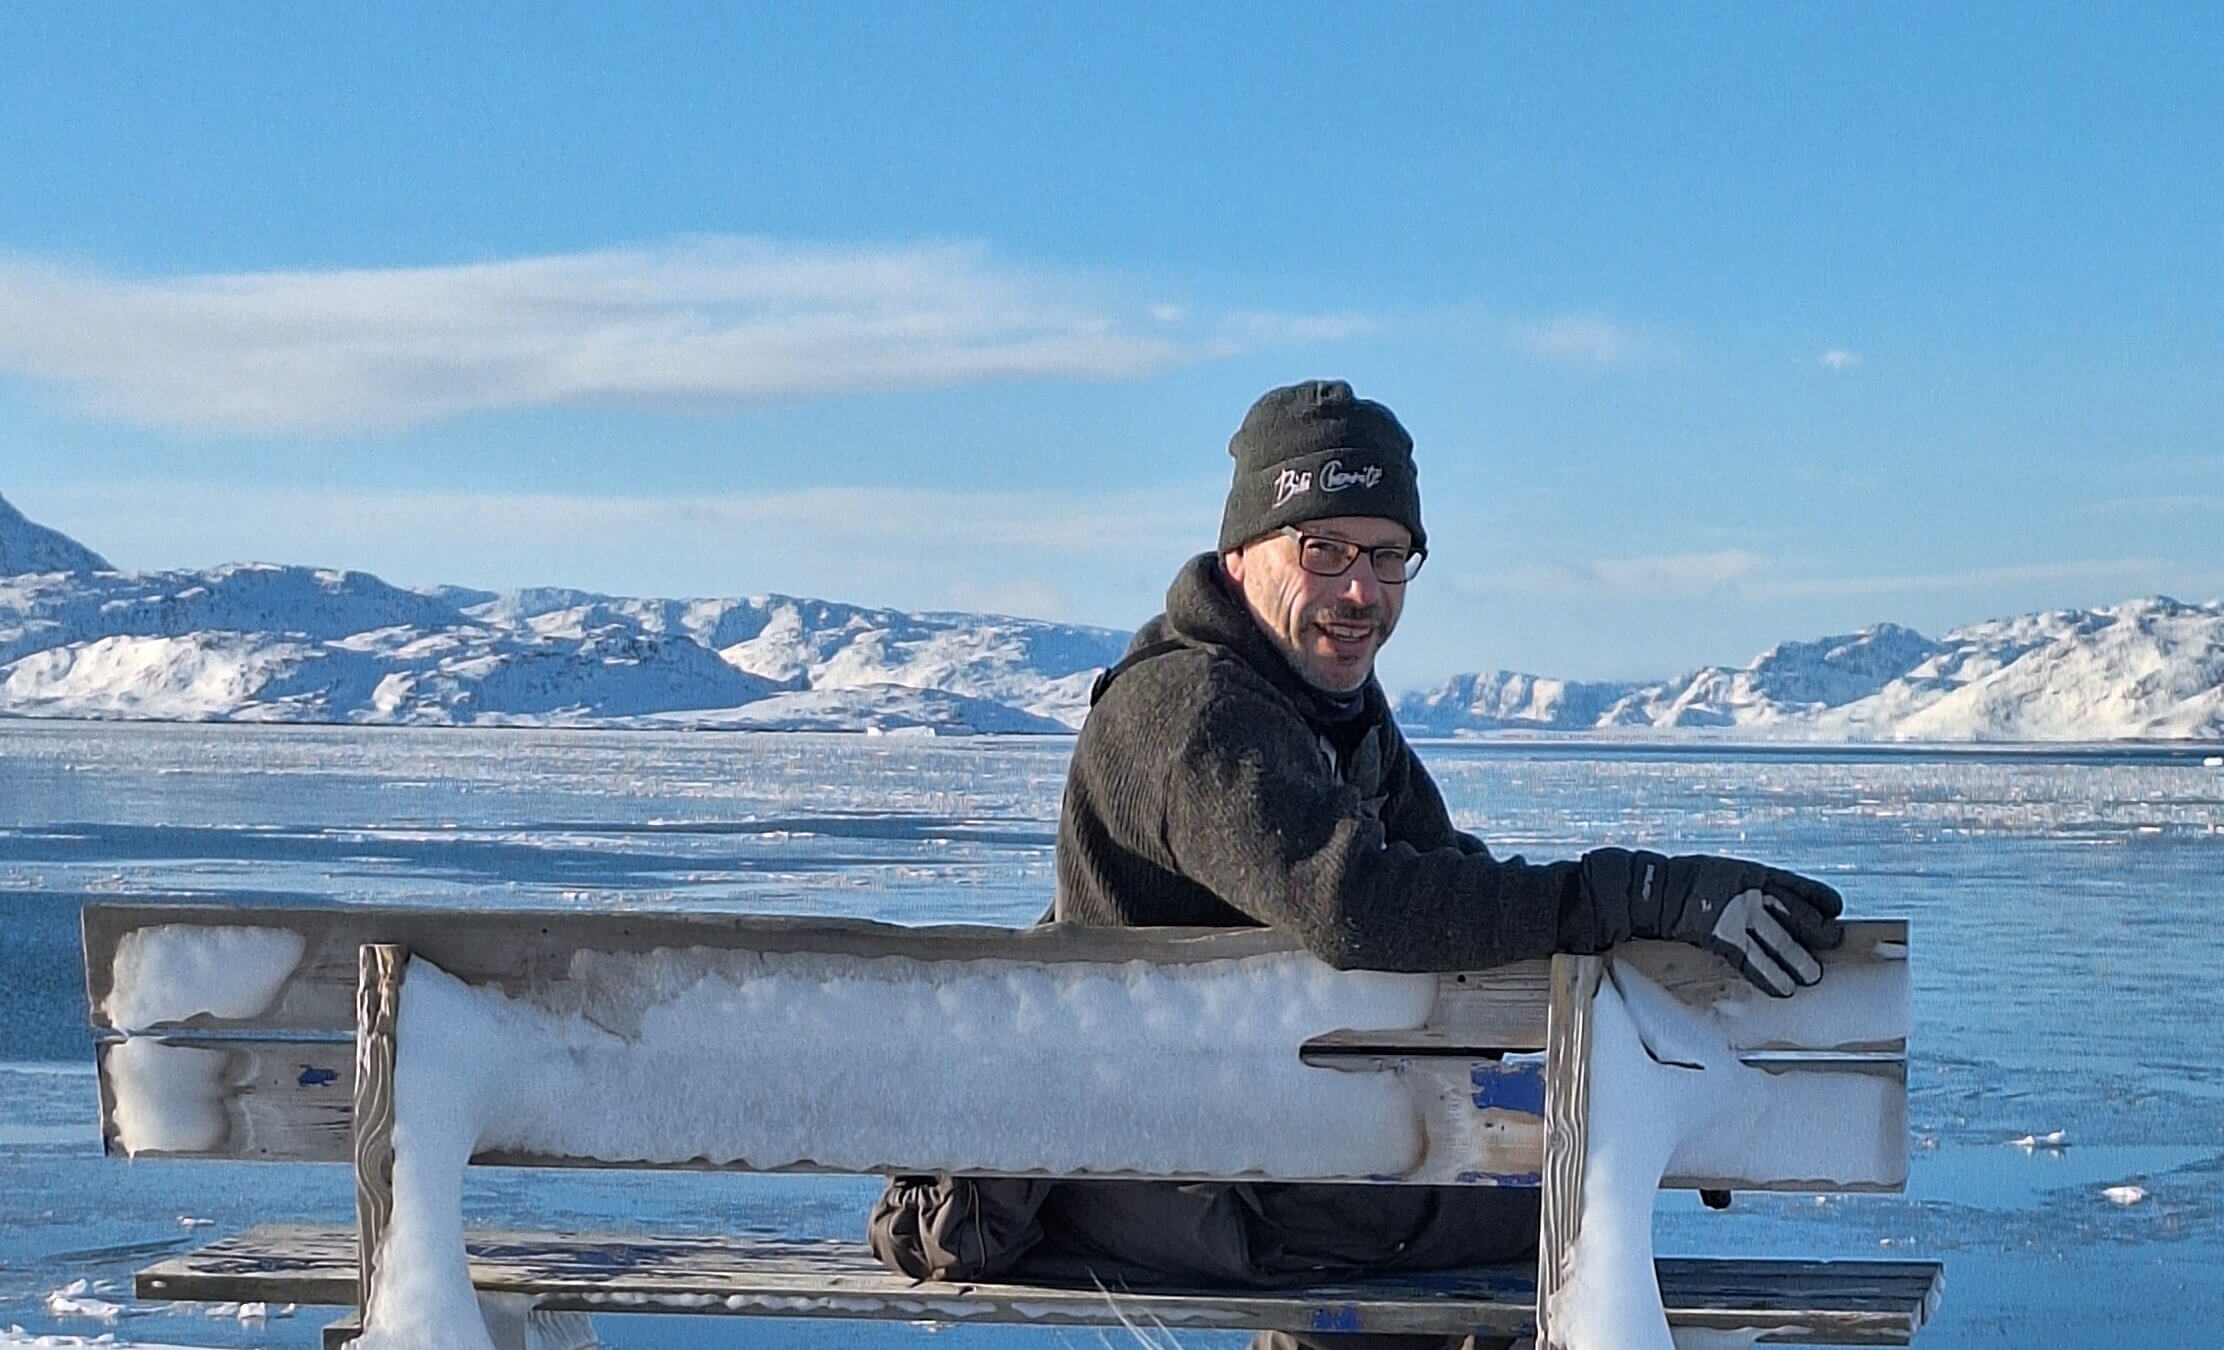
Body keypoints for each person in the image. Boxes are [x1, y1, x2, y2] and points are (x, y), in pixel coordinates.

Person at [871, 380, 1845, 1350]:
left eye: (1386, 557)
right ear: (1240, 554)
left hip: (1284, 1149)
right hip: (1189, 1171)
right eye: (1323, 550)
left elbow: (1452, 887)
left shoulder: (1332, 718)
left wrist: (1660, 1075)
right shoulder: (1191, 718)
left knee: (1547, 1161)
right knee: (1568, 1184)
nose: (1359, 592)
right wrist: (1636, 895)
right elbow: (1357, 906)